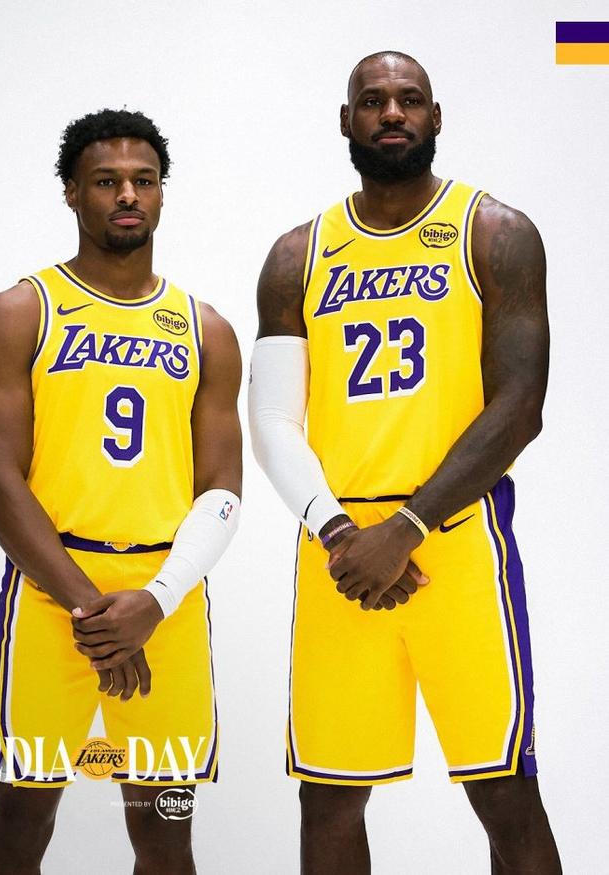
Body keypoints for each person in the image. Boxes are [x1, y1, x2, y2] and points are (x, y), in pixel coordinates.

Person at [249, 52, 561, 873]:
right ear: (345, 120)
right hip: (341, 549)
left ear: (435, 116)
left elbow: (520, 405)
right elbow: (273, 421)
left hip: (457, 538)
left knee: (504, 792)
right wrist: (341, 532)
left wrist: (409, 525)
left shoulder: (494, 232)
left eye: (409, 99)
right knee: (329, 797)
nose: (392, 113)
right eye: (373, 100)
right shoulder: (297, 254)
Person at [0, 108, 242, 875]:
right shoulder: (21, 311)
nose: (127, 195)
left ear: (161, 194)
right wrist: (94, 612)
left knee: (166, 834)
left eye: (143, 181)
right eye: (106, 181)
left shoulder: (206, 329)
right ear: (71, 192)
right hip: (51, 591)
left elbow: (223, 489)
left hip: (166, 599)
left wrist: (154, 600)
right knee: (21, 824)